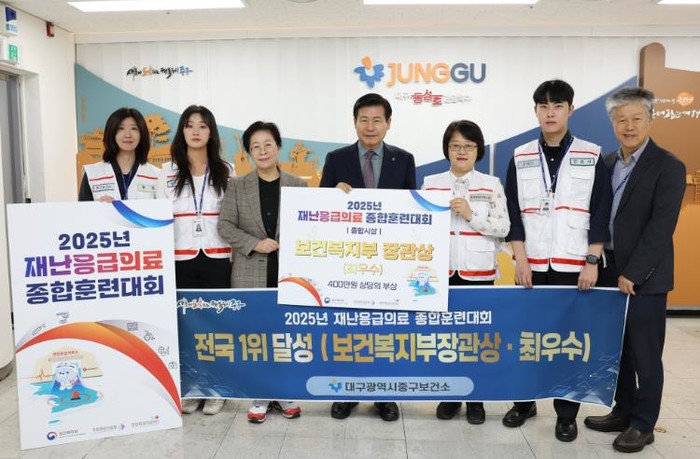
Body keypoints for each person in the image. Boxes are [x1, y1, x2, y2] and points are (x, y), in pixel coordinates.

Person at [503, 79, 612, 442]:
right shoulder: (520, 156)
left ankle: (566, 414)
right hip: (531, 265)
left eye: (558, 106)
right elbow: (513, 213)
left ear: (570, 109)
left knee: (568, 342)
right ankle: (524, 403)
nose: (550, 113)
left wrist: (592, 260)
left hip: (573, 265)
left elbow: (600, 210)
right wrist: (520, 260)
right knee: (528, 338)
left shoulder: (591, 154)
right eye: (544, 106)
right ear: (535, 111)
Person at [583, 88, 686, 453]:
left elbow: (661, 228)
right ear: (612, 123)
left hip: (645, 277)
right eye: (621, 119)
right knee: (618, 349)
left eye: (636, 119)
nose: (629, 126)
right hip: (608, 270)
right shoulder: (607, 163)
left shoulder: (668, 165)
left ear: (650, 120)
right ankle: (623, 409)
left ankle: (643, 424)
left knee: (645, 353)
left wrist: (634, 273)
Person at [320, 92, 416, 422]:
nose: (370, 126)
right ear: (355, 122)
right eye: (364, 120)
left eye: (377, 120)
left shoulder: (404, 160)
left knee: (385, 330)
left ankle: (383, 394)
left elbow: (414, 214)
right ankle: (346, 392)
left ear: (389, 123)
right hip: (348, 261)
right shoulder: (336, 159)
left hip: (389, 264)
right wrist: (333, 198)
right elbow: (320, 210)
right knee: (348, 329)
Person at [218, 121, 306, 424]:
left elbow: (311, 225)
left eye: (268, 144)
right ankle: (259, 394)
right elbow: (225, 226)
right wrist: (255, 243)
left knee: (285, 334)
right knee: (255, 335)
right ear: (248, 152)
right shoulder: (237, 185)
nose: (263, 151)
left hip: (289, 273)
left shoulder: (298, 185)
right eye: (255, 146)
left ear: (278, 146)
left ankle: (283, 392)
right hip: (250, 271)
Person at [422, 120, 510, 425]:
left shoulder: (491, 184)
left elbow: (503, 227)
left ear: (478, 150)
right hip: (441, 273)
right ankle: (450, 395)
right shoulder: (431, 183)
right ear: (447, 149)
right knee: (446, 338)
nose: (462, 151)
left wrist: (471, 215)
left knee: (477, 340)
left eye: (468, 146)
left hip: (479, 272)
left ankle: (476, 400)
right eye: (455, 146)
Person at [156, 105, 234, 415]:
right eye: (190, 125)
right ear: (182, 131)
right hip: (180, 257)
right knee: (186, 324)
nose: (196, 131)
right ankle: (192, 386)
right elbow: (156, 217)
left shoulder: (226, 170)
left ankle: (216, 388)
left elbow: (233, 214)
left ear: (211, 132)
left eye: (202, 125)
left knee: (217, 323)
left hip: (217, 256)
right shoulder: (167, 172)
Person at [79, 107, 159, 201]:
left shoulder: (157, 175)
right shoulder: (92, 174)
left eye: (134, 128)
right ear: (112, 132)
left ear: (142, 134)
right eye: (121, 128)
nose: (128, 135)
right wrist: (98, 206)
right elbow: (83, 210)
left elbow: (164, 209)